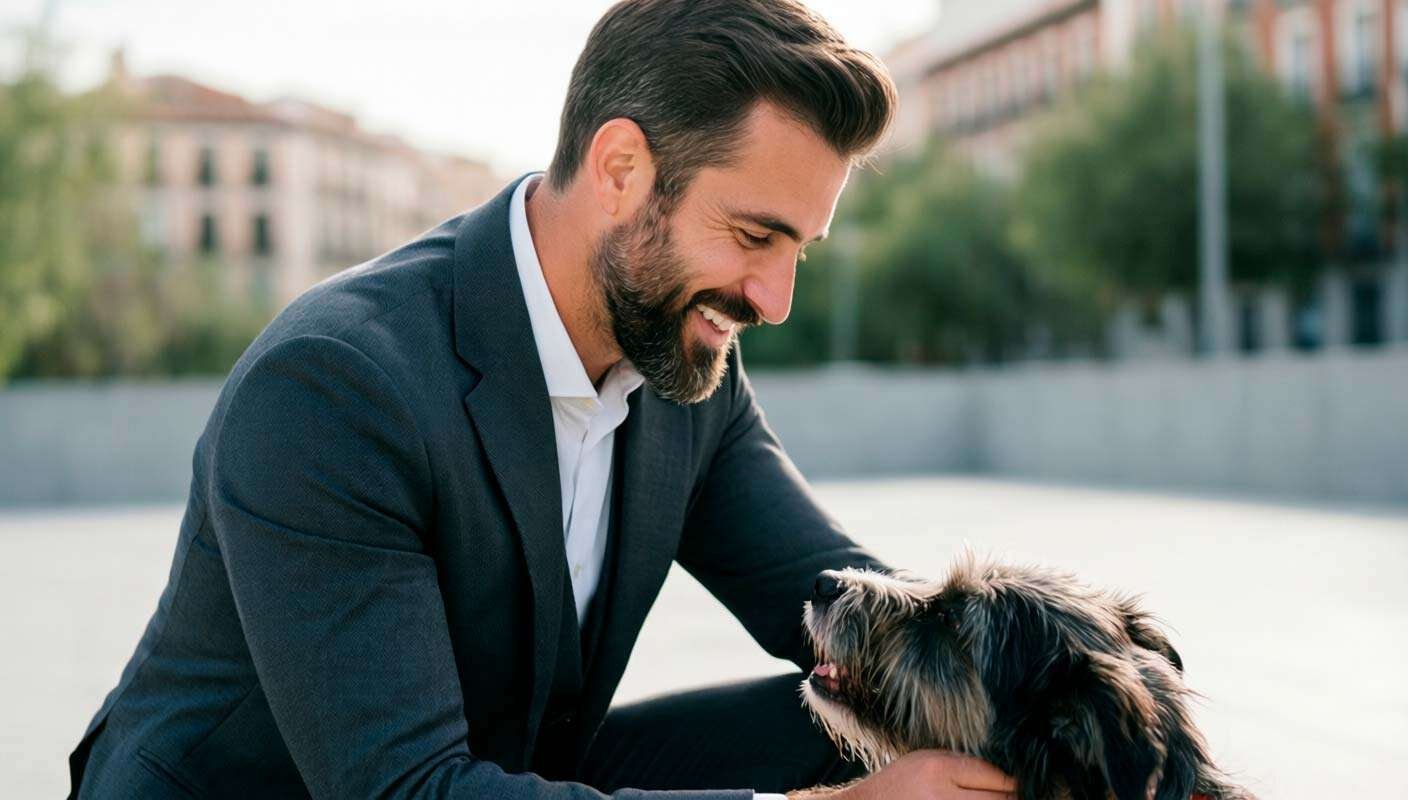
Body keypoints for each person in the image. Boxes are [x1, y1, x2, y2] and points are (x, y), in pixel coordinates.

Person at [67, 2, 1016, 798]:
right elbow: (410, 792)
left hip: (507, 769)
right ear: (619, 170)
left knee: (893, 726)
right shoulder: (336, 386)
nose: (773, 300)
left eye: (797, 251)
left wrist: (1103, 732)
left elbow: (856, 618)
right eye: (752, 236)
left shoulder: (682, 368)